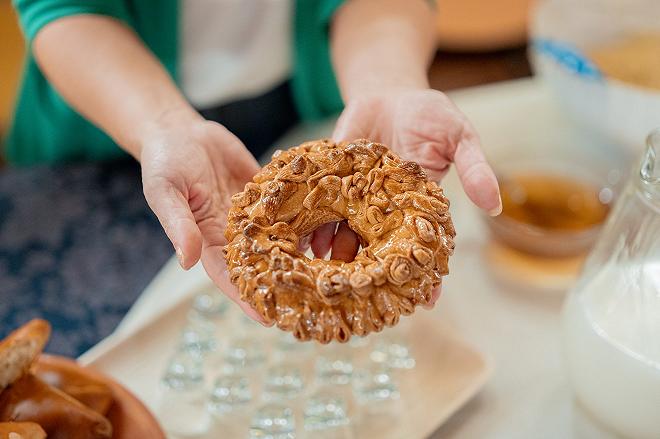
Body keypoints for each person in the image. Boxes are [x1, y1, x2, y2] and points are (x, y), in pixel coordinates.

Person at [6, 0, 501, 321]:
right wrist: (160, 124)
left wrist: (388, 84)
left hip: (302, 97)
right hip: (111, 111)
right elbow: (64, 7)